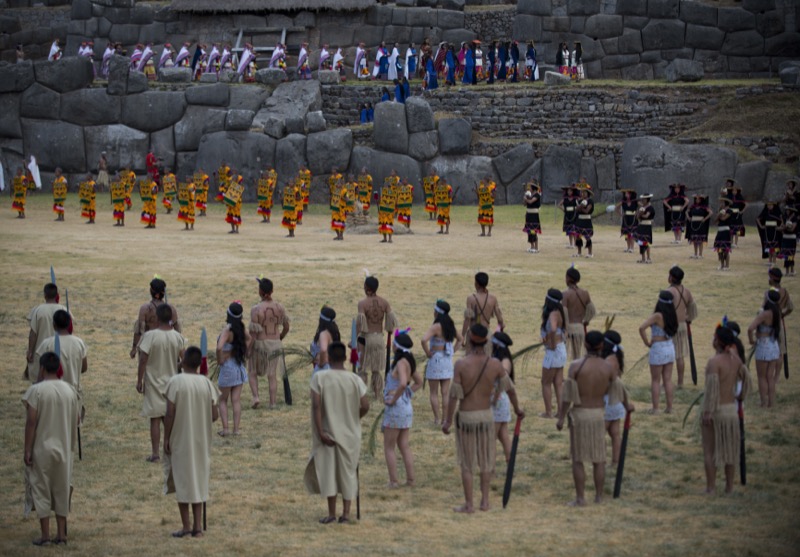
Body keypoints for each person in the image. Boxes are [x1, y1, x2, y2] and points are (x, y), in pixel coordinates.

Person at [443, 324, 523, 512]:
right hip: (486, 416)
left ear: (469, 341)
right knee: (485, 460)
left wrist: (447, 421)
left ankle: (469, 504)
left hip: (467, 417)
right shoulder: (494, 364)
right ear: (486, 342)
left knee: (467, 462)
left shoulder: (461, 365)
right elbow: (510, 389)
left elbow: (454, 395)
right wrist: (518, 409)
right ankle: (485, 502)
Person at [305, 341, 369, 524]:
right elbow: (365, 405)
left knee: (329, 473)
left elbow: (316, 405)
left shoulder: (320, 378)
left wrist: (320, 431)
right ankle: (346, 514)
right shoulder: (355, 379)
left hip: (327, 433)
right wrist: (355, 418)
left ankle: (332, 513)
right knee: (348, 473)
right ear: (346, 358)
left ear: (329, 358)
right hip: (350, 434)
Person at [556, 331, 619, 506]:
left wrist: (561, 417)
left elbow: (567, 396)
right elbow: (617, 388)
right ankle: (599, 497)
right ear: (601, 346)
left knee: (578, 458)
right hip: (598, 414)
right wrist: (627, 406)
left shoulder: (576, 366)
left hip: (580, 415)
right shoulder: (608, 368)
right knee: (599, 458)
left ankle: (581, 498)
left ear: (585, 344)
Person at [23, 352, 79, 546]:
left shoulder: (36, 391)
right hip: (64, 448)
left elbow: (31, 421)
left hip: (42, 448)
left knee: (41, 489)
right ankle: (62, 534)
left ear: (42, 368)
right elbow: (76, 419)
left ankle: (45, 535)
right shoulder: (70, 391)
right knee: (62, 489)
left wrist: (27, 449)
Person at [163, 346, 220, 538]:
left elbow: (169, 412)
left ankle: (186, 526)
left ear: (184, 361)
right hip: (201, 440)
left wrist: (166, 437)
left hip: (181, 437)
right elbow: (214, 415)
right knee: (198, 480)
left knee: (183, 481)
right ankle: (197, 527)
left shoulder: (176, 381)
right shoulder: (206, 383)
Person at [702, 326, 751, 494]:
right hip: (731, 410)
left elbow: (711, 390)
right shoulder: (737, 361)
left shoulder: (714, 362)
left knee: (710, 451)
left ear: (718, 341)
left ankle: (711, 487)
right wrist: (740, 397)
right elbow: (746, 380)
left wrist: (708, 411)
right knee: (730, 452)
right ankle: (729, 487)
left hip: (716, 411)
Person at [137, 304, 185, 462]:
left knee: (155, 419)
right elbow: (183, 360)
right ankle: (172, 448)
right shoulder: (177, 337)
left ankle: (155, 453)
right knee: (169, 418)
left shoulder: (150, 336)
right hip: (171, 382)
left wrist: (139, 379)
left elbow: (143, 359)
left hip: (153, 381)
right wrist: (175, 366)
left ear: (157, 317)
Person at [383, 332, 422, 488]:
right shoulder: (408, 362)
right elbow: (418, 382)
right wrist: (407, 395)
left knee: (389, 446)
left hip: (396, 408)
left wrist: (394, 398)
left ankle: (393, 481)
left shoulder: (400, 363)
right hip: (406, 407)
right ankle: (410, 480)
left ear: (396, 347)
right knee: (404, 445)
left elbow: (403, 383)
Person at [248, 278, 290, 409]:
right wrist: (280, 338)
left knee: (252, 371)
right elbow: (286, 326)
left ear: (261, 291)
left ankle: (256, 397)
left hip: (260, 344)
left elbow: (253, 334)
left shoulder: (256, 309)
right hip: (275, 343)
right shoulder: (279, 307)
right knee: (272, 375)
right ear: (271, 291)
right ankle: (272, 403)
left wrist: (248, 348)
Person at [421, 300, 463, 426]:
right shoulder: (450, 325)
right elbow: (461, 339)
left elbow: (423, 340)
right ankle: (445, 419)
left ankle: (437, 419)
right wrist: (452, 351)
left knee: (433, 392)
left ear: (437, 312)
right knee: (445, 393)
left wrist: (428, 352)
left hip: (436, 360)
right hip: (447, 361)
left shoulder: (436, 326)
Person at [34, 310, 87, 409]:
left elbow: (41, 371)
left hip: (51, 394)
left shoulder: (47, 344)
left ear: (54, 325)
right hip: (73, 393)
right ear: (69, 324)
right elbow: (84, 368)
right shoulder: (79, 343)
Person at [639, 291, 679, 414]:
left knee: (655, 380)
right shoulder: (673, 314)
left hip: (658, 348)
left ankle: (655, 408)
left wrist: (647, 342)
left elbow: (641, 328)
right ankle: (669, 407)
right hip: (670, 347)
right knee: (668, 379)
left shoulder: (657, 316)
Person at [356, 276, 397, 397]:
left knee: (362, 368)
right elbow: (390, 324)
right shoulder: (384, 302)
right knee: (376, 369)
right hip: (379, 338)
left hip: (365, 338)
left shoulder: (362, 303)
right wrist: (389, 332)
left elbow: (360, 324)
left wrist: (352, 340)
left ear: (366, 288)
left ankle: (362, 394)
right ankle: (377, 394)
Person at [216, 302, 249, 436]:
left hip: (228, 368)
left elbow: (219, 348)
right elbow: (250, 339)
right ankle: (236, 430)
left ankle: (225, 429)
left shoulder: (227, 330)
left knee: (223, 399)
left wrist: (220, 359)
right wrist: (239, 352)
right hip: (238, 366)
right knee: (236, 400)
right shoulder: (241, 328)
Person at [601, 330, 633, 467]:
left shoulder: (607, 361)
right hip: (617, 401)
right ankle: (616, 461)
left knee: (600, 434)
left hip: (608, 401)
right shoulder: (617, 357)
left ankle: (600, 460)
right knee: (615, 433)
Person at [26, 283, 68, 383]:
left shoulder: (37, 310)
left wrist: (30, 351)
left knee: (39, 383)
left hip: (41, 352)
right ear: (56, 295)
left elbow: (33, 333)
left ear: (45, 295)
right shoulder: (63, 310)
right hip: (59, 352)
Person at [130, 277, 181, 360]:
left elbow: (139, 331)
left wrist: (134, 348)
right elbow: (178, 332)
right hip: (166, 347)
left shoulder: (145, 309)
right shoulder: (171, 309)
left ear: (153, 292)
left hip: (150, 347)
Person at [748, 289, 782, 408]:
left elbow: (750, 328)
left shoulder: (764, 314)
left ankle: (763, 402)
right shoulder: (777, 312)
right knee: (770, 376)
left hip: (763, 345)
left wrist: (751, 340)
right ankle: (771, 403)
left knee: (761, 376)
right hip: (774, 345)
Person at [667, 266, 698, 389]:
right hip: (682, 325)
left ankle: (667, 382)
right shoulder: (687, 291)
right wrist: (688, 318)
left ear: (672, 278)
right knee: (679, 355)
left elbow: (664, 310)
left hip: (671, 327)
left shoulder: (669, 292)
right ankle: (680, 383)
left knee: (668, 356)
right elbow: (692, 307)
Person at [540, 288, 567, 419]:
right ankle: (561, 411)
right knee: (558, 382)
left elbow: (553, 328)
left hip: (553, 352)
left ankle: (549, 412)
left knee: (545, 382)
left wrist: (550, 341)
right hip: (561, 349)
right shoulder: (560, 312)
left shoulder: (552, 315)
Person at [462, 272, 504, 353]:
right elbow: (500, 319)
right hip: (486, 334)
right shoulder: (493, 298)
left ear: (476, 284)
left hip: (473, 334)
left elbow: (467, 319)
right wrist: (501, 329)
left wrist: (462, 336)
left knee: (471, 362)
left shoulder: (471, 298)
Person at [490, 332, 515, 462]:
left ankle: (491, 469)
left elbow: (502, 381)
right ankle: (510, 464)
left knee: (491, 438)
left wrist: (494, 397)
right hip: (498, 400)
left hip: (498, 401)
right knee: (503, 436)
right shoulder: (496, 358)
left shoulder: (505, 361)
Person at [563, 266, 596, 361]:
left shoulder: (565, 294)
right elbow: (592, 310)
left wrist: (566, 327)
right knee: (578, 355)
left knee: (571, 356)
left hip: (569, 329)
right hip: (580, 328)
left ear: (568, 278)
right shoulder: (585, 293)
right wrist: (586, 320)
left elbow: (564, 312)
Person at [767, 267, 793, 378]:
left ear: (773, 278)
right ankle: (776, 376)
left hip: (770, 323)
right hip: (779, 323)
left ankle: (771, 374)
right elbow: (790, 307)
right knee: (780, 351)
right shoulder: (785, 292)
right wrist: (783, 314)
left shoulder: (769, 293)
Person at [311, 306, 341, 374]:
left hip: (324, 369)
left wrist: (321, 364)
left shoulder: (324, 334)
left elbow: (323, 350)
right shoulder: (333, 331)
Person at [756, 199, 783, 267]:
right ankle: (770, 261)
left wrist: (779, 227)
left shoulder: (777, 212)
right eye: (768, 205)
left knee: (774, 246)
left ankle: (774, 261)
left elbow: (782, 220)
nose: (769, 206)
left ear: (773, 205)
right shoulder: (765, 211)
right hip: (767, 230)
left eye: (771, 205)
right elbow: (758, 219)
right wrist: (761, 226)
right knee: (768, 246)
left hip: (774, 231)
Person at [686, 194, 712, 259]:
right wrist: (689, 217)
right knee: (694, 240)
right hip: (693, 224)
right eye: (696, 199)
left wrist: (705, 219)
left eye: (699, 199)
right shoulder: (693, 206)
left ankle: (700, 254)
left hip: (701, 224)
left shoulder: (704, 207)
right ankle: (695, 254)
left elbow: (711, 212)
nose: (697, 200)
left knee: (700, 240)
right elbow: (686, 211)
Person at [573, 184, 595, 257]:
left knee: (587, 237)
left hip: (586, 221)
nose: (583, 194)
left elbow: (587, 211)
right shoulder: (580, 201)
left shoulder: (590, 201)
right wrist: (579, 206)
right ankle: (579, 253)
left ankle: (590, 253)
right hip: (579, 220)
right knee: (578, 237)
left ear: (588, 193)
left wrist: (581, 207)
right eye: (582, 192)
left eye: (584, 192)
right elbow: (576, 209)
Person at [634, 193, 656, 263]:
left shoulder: (650, 208)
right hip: (641, 225)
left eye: (644, 199)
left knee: (646, 242)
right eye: (642, 199)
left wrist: (640, 214)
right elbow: (637, 217)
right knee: (641, 242)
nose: (642, 200)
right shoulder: (642, 208)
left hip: (647, 226)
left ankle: (648, 258)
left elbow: (646, 216)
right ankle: (643, 258)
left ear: (647, 200)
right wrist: (638, 214)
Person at [714, 197, 734, 270]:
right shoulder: (720, 211)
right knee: (719, 249)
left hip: (726, 231)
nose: (721, 204)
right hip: (720, 231)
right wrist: (719, 213)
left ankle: (727, 265)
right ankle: (722, 264)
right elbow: (715, 221)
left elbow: (724, 218)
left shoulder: (729, 211)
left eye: (722, 203)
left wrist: (720, 214)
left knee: (725, 249)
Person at [616, 189, 638, 253]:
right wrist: (621, 214)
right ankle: (628, 247)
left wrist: (638, 213)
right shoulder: (623, 202)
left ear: (630, 194)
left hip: (633, 218)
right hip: (626, 218)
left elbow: (643, 206)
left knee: (632, 233)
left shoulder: (635, 201)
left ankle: (632, 248)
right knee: (627, 233)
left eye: (627, 193)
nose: (626, 195)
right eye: (625, 194)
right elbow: (616, 207)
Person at [523, 180, 542, 252]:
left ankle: (536, 247)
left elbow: (531, 202)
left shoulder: (537, 195)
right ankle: (532, 246)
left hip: (534, 215)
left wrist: (526, 199)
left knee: (534, 231)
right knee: (529, 231)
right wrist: (525, 198)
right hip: (529, 214)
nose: (529, 188)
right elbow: (525, 204)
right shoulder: (530, 195)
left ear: (533, 188)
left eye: (530, 187)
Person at [559, 184, 578, 248]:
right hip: (567, 215)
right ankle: (571, 244)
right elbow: (559, 205)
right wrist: (564, 210)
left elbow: (579, 206)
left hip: (574, 215)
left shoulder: (575, 199)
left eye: (571, 191)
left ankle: (576, 243)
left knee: (574, 230)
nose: (569, 192)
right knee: (569, 230)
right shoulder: (565, 199)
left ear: (573, 192)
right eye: (568, 191)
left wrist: (576, 210)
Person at [778, 206, 797, 275]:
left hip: (792, 238)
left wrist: (784, 228)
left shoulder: (794, 219)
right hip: (785, 238)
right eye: (786, 210)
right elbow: (781, 227)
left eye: (789, 210)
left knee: (791, 255)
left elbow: (792, 229)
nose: (787, 211)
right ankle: (787, 271)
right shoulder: (785, 218)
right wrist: (781, 228)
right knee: (786, 255)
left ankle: (792, 270)